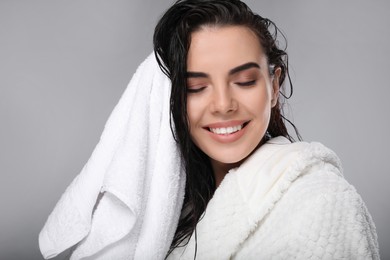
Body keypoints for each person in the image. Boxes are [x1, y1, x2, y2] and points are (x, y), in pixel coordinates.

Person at [153, 0, 380, 259]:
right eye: (196, 87)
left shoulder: (323, 203)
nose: (224, 105)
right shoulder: (173, 216)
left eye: (244, 81)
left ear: (274, 87)